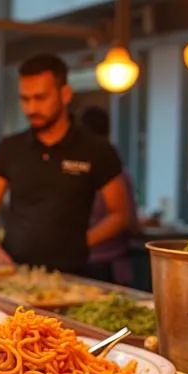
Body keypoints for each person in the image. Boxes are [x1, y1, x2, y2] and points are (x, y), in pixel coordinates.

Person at [0, 54, 130, 274]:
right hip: (14, 271)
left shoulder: (96, 149)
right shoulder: (10, 148)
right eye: (25, 99)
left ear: (65, 94)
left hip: (72, 274)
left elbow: (119, 214)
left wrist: (82, 242)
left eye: (40, 98)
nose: (31, 108)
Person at [79, 106, 139, 284]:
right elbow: (131, 223)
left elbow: (124, 218)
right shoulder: (118, 171)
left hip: (84, 261)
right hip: (108, 261)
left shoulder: (77, 169)